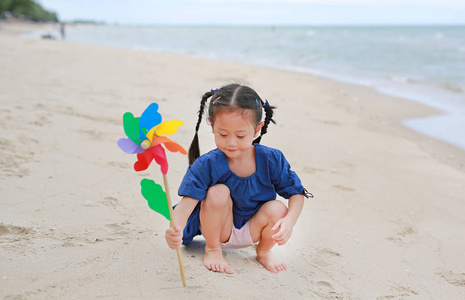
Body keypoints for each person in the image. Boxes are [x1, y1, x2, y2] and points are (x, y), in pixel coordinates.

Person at [165, 83, 311, 274]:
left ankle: (264, 251)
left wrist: (289, 222)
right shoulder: (207, 164)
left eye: (241, 135)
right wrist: (174, 229)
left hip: (253, 229)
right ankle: (213, 250)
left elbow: (297, 193)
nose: (231, 143)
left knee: (279, 208)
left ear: (257, 129)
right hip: (219, 230)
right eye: (223, 134)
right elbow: (185, 207)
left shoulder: (271, 159)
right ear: (212, 125)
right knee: (218, 191)